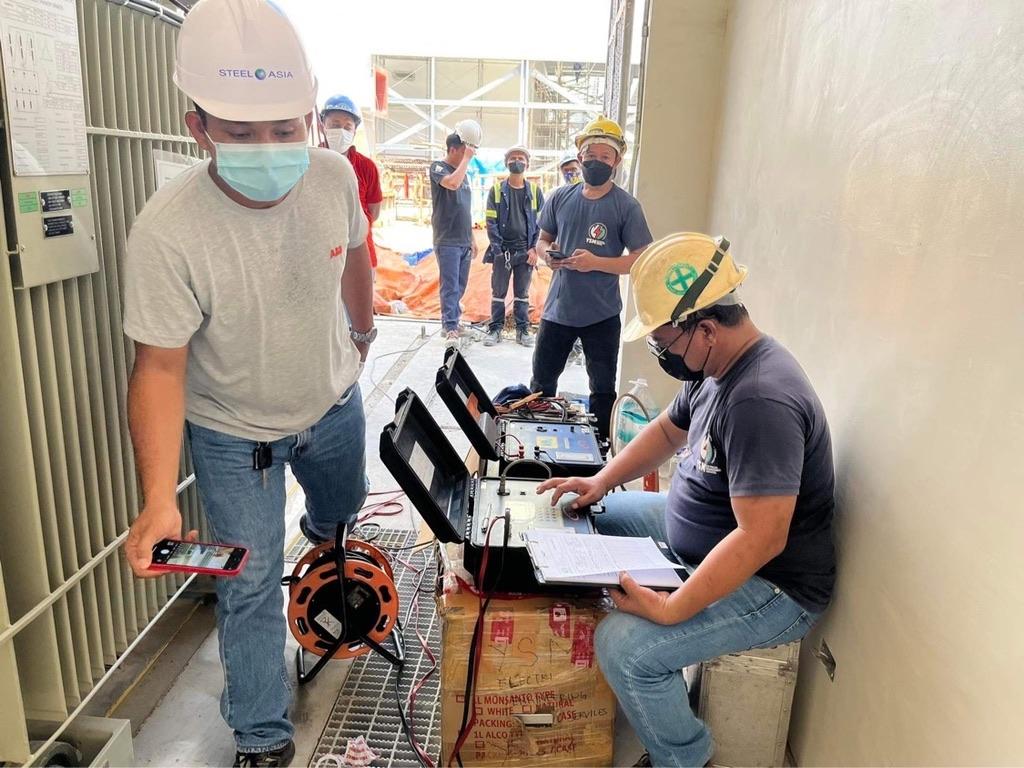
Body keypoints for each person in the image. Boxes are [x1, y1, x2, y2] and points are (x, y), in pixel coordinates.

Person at [121, 2, 375, 765]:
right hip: (233, 432)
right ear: (198, 127)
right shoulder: (168, 230)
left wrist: (363, 333)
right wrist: (159, 498)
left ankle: (325, 550)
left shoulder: (333, 178)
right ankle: (262, 737)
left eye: (285, 128)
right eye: (240, 132)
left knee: (341, 515)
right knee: (250, 579)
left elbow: (357, 257)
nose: (268, 148)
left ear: (310, 117)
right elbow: (159, 366)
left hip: (332, 403)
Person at [538, 233, 836, 767]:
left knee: (625, 648)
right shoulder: (715, 366)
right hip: (707, 534)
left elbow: (763, 537)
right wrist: (600, 482)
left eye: (665, 343)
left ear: (706, 328)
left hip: (775, 586)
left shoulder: (759, 399)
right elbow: (667, 431)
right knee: (581, 517)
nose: (664, 355)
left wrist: (673, 608)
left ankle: (685, 759)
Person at [531, 116, 653, 440]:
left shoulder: (626, 207)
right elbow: (542, 240)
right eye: (591, 155)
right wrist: (547, 255)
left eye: (605, 156)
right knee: (541, 385)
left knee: (602, 389)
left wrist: (596, 263)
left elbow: (641, 259)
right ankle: (537, 446)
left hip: (602, 314)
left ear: (616, 161)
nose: (597, 161)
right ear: (580, 156)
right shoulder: (560, 197)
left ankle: (601, 452)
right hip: (558, 311)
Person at [483, 145, 544, 347]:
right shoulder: (497, 191)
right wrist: (498, 250)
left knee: (522, 294)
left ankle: (522, 330)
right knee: (498, 293)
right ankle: (495, 329)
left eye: (520, 158)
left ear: (527, 164)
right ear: (506, 163)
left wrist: (534, 248)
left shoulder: (535, 191)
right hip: (503, 251)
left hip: (526, 251)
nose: (517, 161)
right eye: (513, 158)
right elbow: (491, 221)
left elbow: (542, 224)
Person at [429, 120, 482, 347]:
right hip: (447, 239)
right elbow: (451, 184)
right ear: (452, 149)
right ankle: (449, 327)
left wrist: (472, 238)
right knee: (450, 285)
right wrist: (467, 159)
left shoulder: (464, 176)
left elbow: (464, 208)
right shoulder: (438, 168)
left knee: (460, 285)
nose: (466, 156)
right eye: (463, 152)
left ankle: (454, 321)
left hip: (463, 239)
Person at [322, 94, 383, 271]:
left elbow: (374, 212)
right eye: (335, 125)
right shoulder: (309, 163)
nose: (341, 131)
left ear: (354, 131)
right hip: (321, 254)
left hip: (359, 254)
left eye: (347, 127)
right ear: (322, 125)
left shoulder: (366, 167)